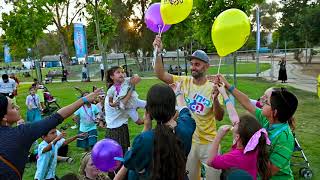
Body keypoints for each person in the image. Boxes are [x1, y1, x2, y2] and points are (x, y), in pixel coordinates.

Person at [153, 35, 224, 179]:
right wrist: (158, 52)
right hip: (188, 141)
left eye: (197, 64)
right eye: (192, 64)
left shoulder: (213, 88)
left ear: (206, 66)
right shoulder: (184, 82)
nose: (193, 67)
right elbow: (160, 74)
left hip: (209, 143)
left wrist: (215, 99)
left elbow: (220, 117)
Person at [0, 89, 100, 179]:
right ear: (4, 116)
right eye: (13, 107)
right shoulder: (20, 133)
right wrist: (83, 100)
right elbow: (56, 117)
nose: (17, 107)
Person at [217, 74, 298, 179]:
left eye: (266, 101)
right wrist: (227, 86)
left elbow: (268, 172)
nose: (262, 101)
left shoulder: (285, 139)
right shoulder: (267, 119)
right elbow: (246, 102)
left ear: (274, 112)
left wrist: (241, 160)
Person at [114, 83, 196, 180]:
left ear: (149, 111)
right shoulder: (186, 127)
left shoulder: (145, 140)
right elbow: (185, 112)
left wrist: (146, 127)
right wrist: (178, 94)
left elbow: (130, 162)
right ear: (173, 107)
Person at [206, 84, 270, 179]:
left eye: (236, 124)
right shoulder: (253, 146)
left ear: (237, 137)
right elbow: (234, 116)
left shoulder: (234, 157)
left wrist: (218, 137)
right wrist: (224, 93)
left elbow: (210, 162)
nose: (235, 123)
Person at [104, 66, 145, 154]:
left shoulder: (125, 82)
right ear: (112, 77)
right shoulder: (112, 91)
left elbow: (138, 78)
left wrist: (135, 77)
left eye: (122, 72)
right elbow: (122, 103)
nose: (121, 74)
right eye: (118, 72)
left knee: (123, 151)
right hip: (115, 128)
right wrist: (132, 86)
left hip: (121, 123)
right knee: (119, 152)